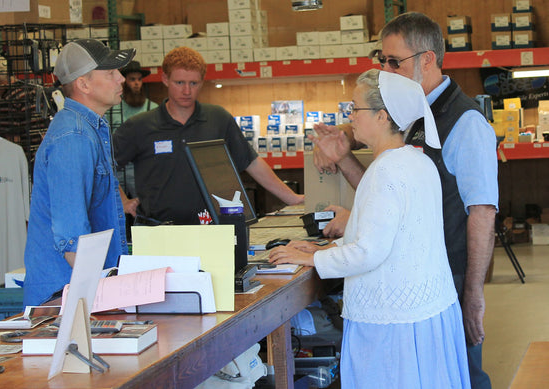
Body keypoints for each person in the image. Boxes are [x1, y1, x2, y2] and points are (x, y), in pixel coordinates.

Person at [313, 12, 497, 389]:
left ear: (427, 59)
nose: (385, 70)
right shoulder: (408, 120)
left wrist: (474, 293)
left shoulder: (465, 123)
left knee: (464, 370)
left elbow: (482, 214)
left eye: (394, 62)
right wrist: (344, 159)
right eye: (381, 60)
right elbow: (389, 200)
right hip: (414, 279)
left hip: (450, 274)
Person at [271, 69, 470, 388]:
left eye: (354, 108)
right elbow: (391, 235)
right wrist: (326, 249)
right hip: (425, 315)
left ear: (381, 116)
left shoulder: (385, 172)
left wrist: (312, 260)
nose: (349, 117)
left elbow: (368, 252)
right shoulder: (416, 161)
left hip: (393, 324)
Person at [113, 46, 303, 225]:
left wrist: (292, 198)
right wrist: (122, 201)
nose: (187, 91)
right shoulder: (140, 126)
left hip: (213, 227)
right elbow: (103, 165)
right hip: (157, 230)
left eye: (193, 83)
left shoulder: (218, 119)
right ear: (165, 79)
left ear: (202, 82)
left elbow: (250, 162)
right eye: (179, 82)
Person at [23, 39, 135, 307]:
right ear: (83, 85)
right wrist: (97, 303)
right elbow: (72, 237)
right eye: (110, 73)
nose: (121, 79)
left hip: (72, 294)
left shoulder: (86, 130)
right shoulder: (74, 137)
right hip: (63, 300)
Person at [109, 60, 158, 201]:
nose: (136, 83)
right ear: (125, 82)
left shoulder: (153, 109)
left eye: (139, 79)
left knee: (144, 210)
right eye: (132, 79)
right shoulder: (113, 108)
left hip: (143, 169)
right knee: (116, 208)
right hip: (117, 169)